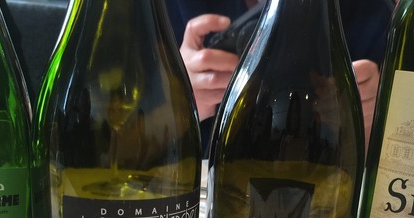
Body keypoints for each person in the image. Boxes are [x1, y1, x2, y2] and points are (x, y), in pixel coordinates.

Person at [164, 0, 395, 149]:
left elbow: (383, 160)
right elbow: (145, 143)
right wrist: (176, 100)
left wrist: (368, 124)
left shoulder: (371, 14)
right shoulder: (168, 7)